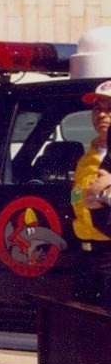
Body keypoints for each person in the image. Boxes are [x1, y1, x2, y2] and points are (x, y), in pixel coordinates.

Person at [71, 79, 111, 306]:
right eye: (97, 108)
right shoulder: (86, 158)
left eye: (110, 108)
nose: (102, 114)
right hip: (85, 253)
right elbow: (77, 198)